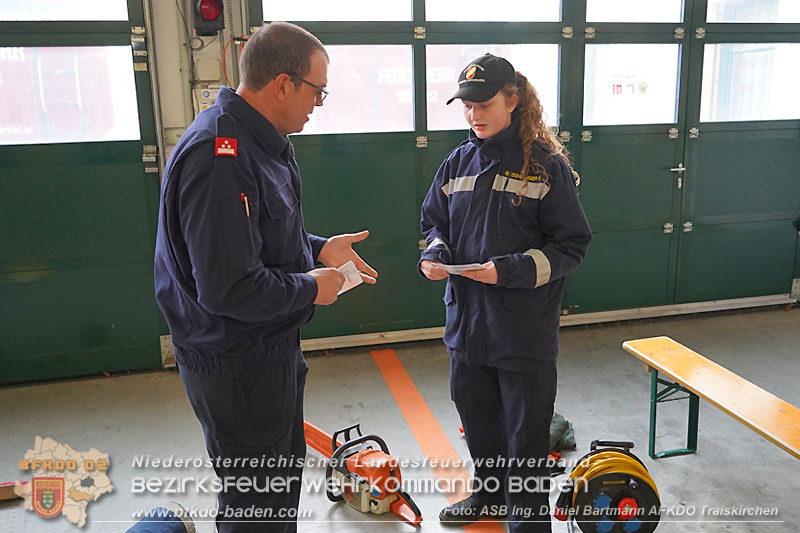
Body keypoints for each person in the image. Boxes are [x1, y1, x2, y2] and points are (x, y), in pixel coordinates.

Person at [153, 22, 377, 533]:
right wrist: (313, 287)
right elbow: (229, 286)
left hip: (266, 353)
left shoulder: (261, 141)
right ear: (282, 84)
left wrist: (318, 248)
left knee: (275, 495)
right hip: (237, 366)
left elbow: (258, 238)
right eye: (317, 91)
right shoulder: (220, 157)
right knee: (256, 509)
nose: (319, 104)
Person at [419, 53, 592, 532]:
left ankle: (528, 524)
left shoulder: (545, 168)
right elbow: (433, 219)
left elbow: (572, 245)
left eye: (484, 103)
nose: (474, 115)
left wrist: (509, 271)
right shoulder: (457, 162)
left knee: (526, 437)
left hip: (522, 332)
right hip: (468, 330)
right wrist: (434, 252)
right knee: (479, 423)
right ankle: (489, 496)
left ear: (512, 101)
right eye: (466, 106)